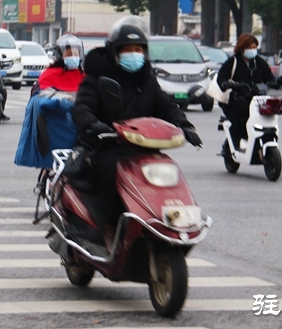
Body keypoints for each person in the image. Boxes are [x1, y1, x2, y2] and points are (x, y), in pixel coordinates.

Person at [71, 16, 202, 226]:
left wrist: (184, 126)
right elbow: (82, 107)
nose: (134, 55)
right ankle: (110, 226)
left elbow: (165, 105)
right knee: (111, 171)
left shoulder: (147, 79)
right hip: (107, 147)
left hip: (144, 148)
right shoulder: (96, 78)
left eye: (139, 50)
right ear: (115, 52)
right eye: (128, 50)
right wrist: (92, 124)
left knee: (167, 171)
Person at [14, 34, 86, 172]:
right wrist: (61, 103)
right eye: (69, 53)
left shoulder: (85, 76)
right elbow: (40, 99)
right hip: (58, 124)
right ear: (60, 55)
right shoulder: (49, 74)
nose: (73, 57)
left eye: (76, 53)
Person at [216, 33, 277, 151]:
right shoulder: (233, 62)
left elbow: (268, 77)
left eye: (254, 48)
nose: (252, 50)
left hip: (255, 98)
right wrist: (229, 84)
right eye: (250, 48)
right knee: (243, 113)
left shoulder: (259, 62)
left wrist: (274, 82)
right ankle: (241, 140)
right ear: (242, 49)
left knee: (268, 112)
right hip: (235, 99)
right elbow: (221, 78)